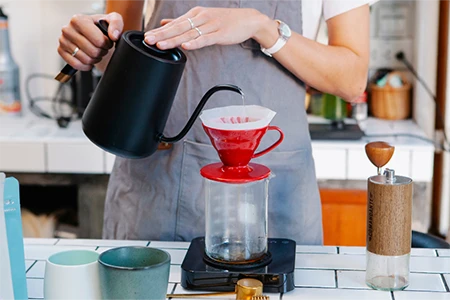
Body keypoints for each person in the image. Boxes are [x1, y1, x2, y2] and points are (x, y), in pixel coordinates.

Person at [58, 0, 376, 244]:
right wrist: (95, 43)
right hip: (159, 183)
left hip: (272, 186)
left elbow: (350, 79)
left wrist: (261, 27)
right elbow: (121, 55)